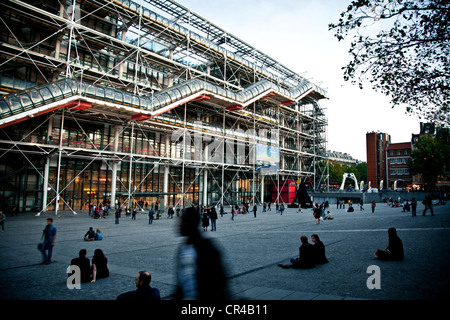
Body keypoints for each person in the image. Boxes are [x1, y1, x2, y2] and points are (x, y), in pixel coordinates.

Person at [174, 207, 228, 301]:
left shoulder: (206, 248)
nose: (179, 225)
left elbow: (217, 282)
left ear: (190, 224)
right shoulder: (183, 247)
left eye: (182, 221)